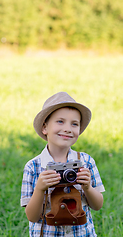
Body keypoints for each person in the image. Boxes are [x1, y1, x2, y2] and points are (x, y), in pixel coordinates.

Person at [20, 92, 105, 237]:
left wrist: (88, 187)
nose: (67, 128)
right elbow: (32, 217)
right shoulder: (33, 167)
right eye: (60, 121)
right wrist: (40, 189)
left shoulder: (85, 162)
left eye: (74, 124)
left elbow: (97, 205)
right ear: (45, 128)